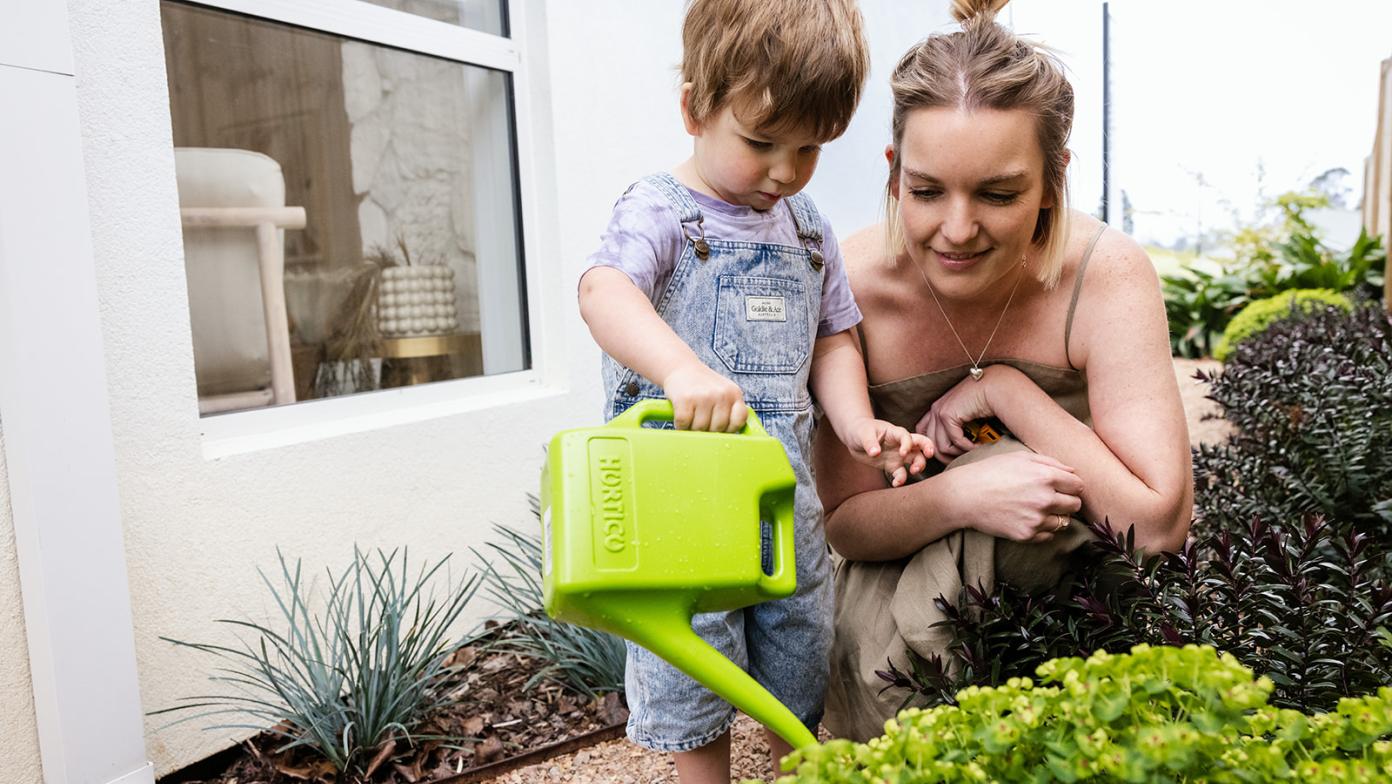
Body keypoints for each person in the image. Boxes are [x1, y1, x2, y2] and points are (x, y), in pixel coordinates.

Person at [814, 0, 1195, 741]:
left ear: (1053, 179)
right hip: (903, 605)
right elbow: (849, 525)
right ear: (894, 176)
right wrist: (961, 497)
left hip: (1078, 598)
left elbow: (1156, 526)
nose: (957, 230)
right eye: (927, 192)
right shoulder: (847, 290)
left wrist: (1006, 393)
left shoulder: (1105, 276)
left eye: (997, 193)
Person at [576, 1, 933, 780]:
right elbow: (605, 292)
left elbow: (833, 338)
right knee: (693, 668)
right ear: (694, 109)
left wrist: (857, 424)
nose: (785, 170)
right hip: (679, 514)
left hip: (784, 508)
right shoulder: (659, 212)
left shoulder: (807, 229)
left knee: (799, 658)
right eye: (762, 142)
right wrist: (681, 370)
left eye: (809, 148)